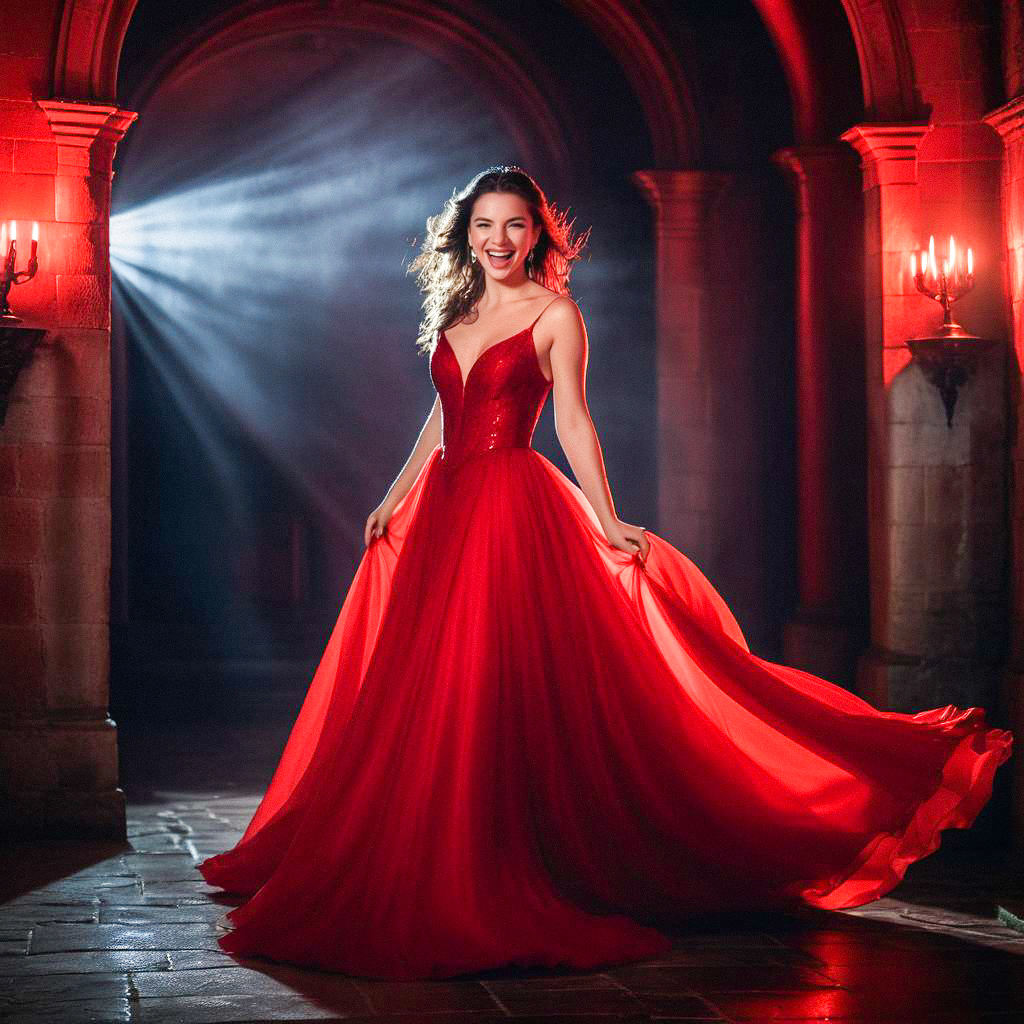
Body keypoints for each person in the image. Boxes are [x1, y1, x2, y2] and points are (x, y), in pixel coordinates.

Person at [199, 165, 1013, 981]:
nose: (499, 241)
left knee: (497, 682)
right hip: (446, 508)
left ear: (538, 234)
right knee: (433, 685)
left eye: (515, 225)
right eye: (485, 225)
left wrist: (610, 516)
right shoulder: (456, 310)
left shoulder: (557, 314)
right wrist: (392, 494)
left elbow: (574, 422)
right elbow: (440, 416)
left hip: (513, 507)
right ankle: (431, 844)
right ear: (465, 234)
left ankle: (496, 861)